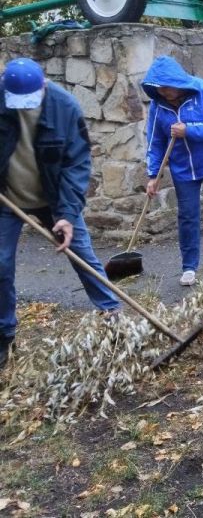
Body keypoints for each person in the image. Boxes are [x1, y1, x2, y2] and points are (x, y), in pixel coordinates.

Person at [0, 58, 120, 369]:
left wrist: (66, 213)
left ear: (43, 86)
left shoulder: (64, 108)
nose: (22, 108)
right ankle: (4, 335)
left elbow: (76, 164)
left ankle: (112, 316)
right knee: (0, 264)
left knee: (81, 252)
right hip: (7, 199)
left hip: (54, 199)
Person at [141, 56, 203, 286]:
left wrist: (189, 130)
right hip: (183, 168)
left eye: (167, 87)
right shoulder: (158, 105)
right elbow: (155, 141)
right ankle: (189, 267)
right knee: (187, 216)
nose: (164, 92)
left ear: (177, 81)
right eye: (159, 88)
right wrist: (152, 175)